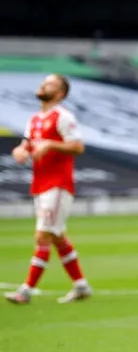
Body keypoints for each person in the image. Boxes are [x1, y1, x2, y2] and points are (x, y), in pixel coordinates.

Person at [4, 74, 93, 305]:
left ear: (61, 93)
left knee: (42, 235)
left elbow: (78, 146)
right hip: (40, 183)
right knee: (57, 236)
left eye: (50, 84)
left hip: (58, 184)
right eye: (43, 82)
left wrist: (51, 144)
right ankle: (81, 286)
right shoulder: (34, 119)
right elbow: (28, 143)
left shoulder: (63, 117)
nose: (43, 85)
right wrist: (21, 150)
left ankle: (25, 291)